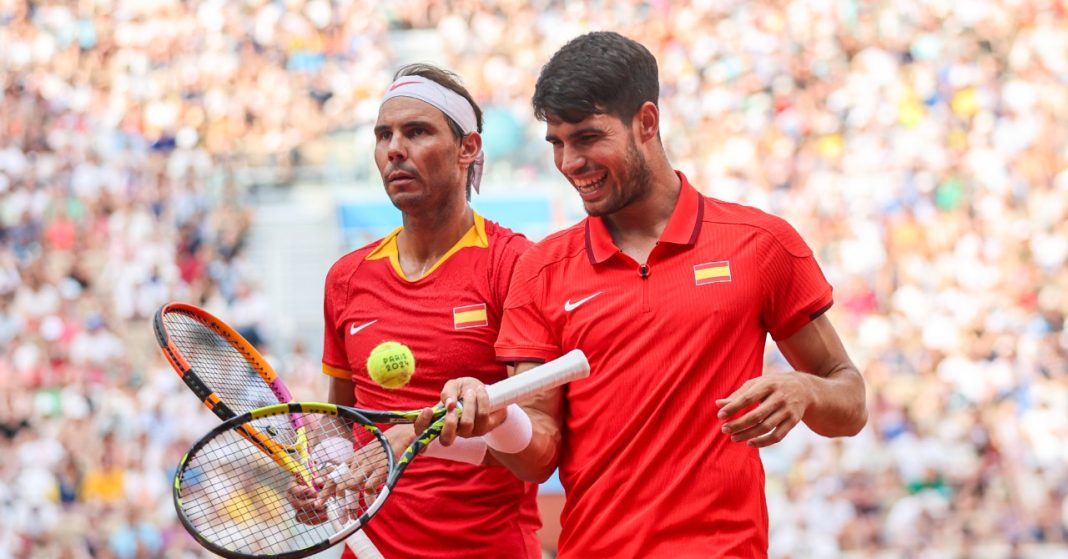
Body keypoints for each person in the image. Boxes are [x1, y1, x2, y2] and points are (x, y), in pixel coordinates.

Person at [427, 32, 868, 558]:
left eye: (588, 137)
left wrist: (805, 390)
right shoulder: (541, 269)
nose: (570, 161)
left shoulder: (760, 243)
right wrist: (501, 421)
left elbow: (851, 402)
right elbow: (538, 456)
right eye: (557, 143)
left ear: (647, 122)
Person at [304, 63, 540, 558]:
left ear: (467, 148)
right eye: (383, 135)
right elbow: (341, 417)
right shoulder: (347, 276)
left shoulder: (516, 263)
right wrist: (322, 470)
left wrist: (419, 435)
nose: (394, 149)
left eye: (416, 132)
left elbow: (537, 452)